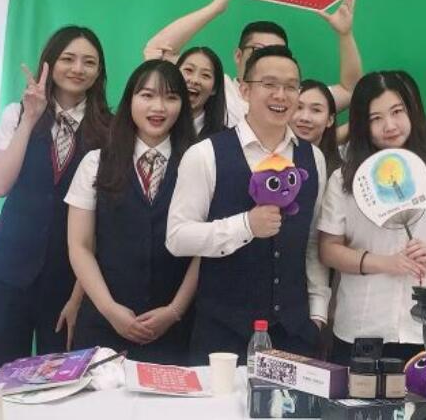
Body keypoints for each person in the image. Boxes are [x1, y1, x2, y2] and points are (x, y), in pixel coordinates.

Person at [166, 45, 330, 364]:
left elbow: (311, 243)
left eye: (291, 86)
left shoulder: (314, 158)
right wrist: (245, 226)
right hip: (222, 333)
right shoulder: (205, 154)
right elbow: (177, 237)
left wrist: (318, 314)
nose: (280, 95)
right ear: (244, 90)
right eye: (269, 84)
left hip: (295, 333)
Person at [318, 72, 426, 366]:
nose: (389, 126)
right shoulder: (344, 179)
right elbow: (328, 250)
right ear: (361, 124)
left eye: (397, 112)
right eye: (375, 118)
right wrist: (385, 263)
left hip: (425, 330)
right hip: (362, 326)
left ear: (411, 112)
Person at [0, 26, 112, 366]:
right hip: (7, 272)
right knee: (1, 377)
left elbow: (104, 221)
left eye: (89, 62)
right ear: (49, 64)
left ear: (99, 72)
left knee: (64, 380)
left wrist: (80, 295)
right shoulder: (17, 114)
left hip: (68, 281)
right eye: (68, 59)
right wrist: (30, 118)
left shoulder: (111, 130)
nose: (78, 69)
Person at [66, 60, 196, 364]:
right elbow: (80, 245)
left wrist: (174, 311)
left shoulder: (198, 163)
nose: (158, 107)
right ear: (130, 101)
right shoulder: (95, 162)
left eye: (171, 97)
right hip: (103, 323)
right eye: (147, 95)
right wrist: (109, 309)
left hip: (175, 328)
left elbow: (203, 250)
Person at [144, 0, 362, 126]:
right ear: (238, 56)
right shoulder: (215, 87)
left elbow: (351, 90)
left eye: (277, 52)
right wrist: (215, 8)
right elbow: (156, 49)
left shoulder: (295, 97)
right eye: (257, 50)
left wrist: (345, 34)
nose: (266, 58)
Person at [291, 79, 342, 176]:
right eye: (298, 107)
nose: (305, 118)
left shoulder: (339, 173)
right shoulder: (271, 159)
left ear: (330, 120)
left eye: (316, 110)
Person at [176, 46, 227, 139]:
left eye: (205, 75)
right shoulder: (156, 126)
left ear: (214, 88)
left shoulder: (225, 139)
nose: (195, 80)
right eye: (189, 70)